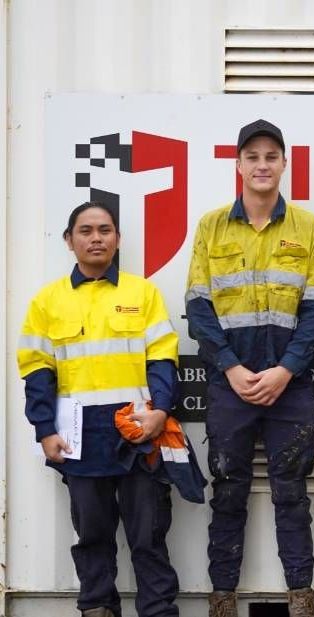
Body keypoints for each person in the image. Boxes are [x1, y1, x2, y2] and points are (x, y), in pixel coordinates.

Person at [185, 119, 314, 617]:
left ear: (284, 164)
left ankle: (301, 596)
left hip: (290, 385)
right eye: (253, 157)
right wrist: (230, 367)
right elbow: (198, 308)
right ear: (239, 165)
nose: (262, 165)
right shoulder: (210, 226)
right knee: (228, 490)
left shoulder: (306, 227)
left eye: (272, 156)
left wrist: (286, 370)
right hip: (231, 384)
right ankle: (222, 597)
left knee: (293, 492)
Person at [17, 201, 181, 617]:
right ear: (69, 241)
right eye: (86, 231)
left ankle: (159, 611)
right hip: (79, 437)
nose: (96, 238)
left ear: (118, 239)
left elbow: (162, 357)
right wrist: (43, 430)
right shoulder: (47, 302)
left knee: (148, 536)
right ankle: (96, 608)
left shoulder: (142, 293)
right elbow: (37, 371)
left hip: (138, 433)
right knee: (92, 535)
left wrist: (161, 411)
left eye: (105, 230)